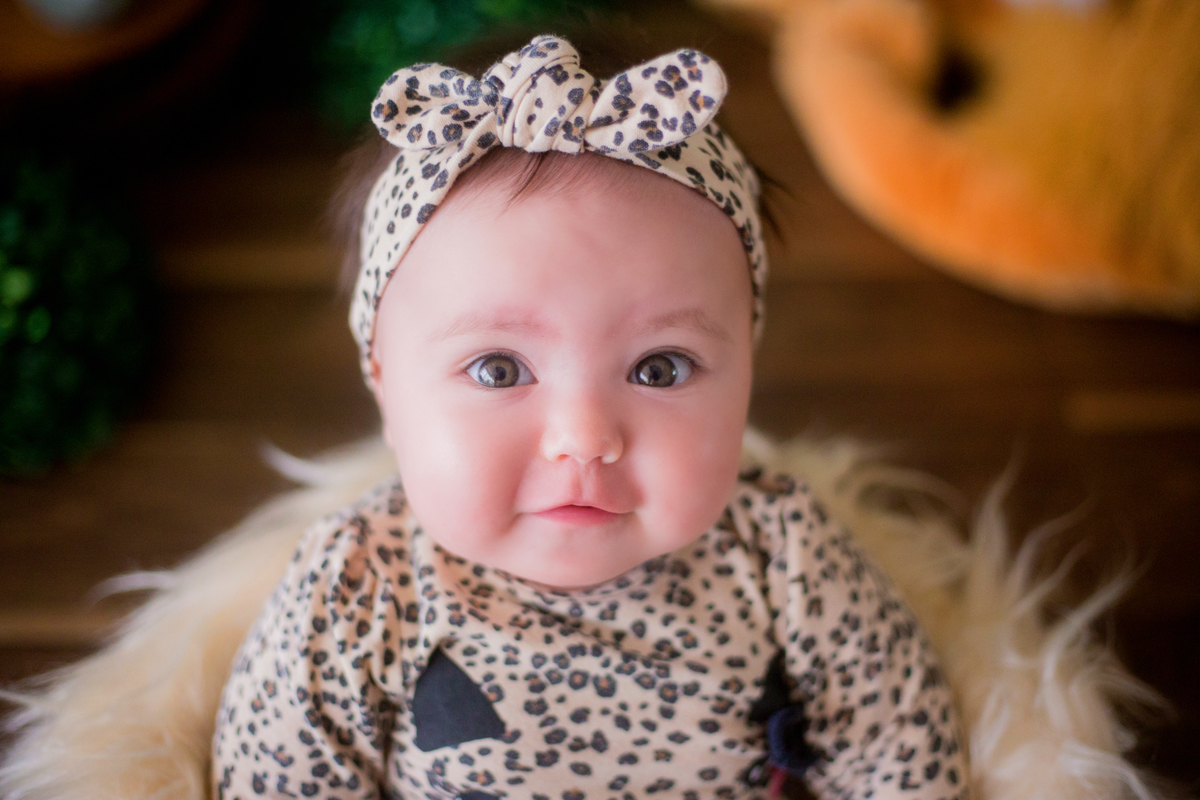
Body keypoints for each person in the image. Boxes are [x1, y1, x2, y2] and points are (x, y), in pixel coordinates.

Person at [211, 35, 968, 800]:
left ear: (745, 370)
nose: (585, 438)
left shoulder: (783, 557)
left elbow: (903, 751)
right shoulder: (357, 588)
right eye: (498, 369)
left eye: (659, 368)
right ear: (384, 385)